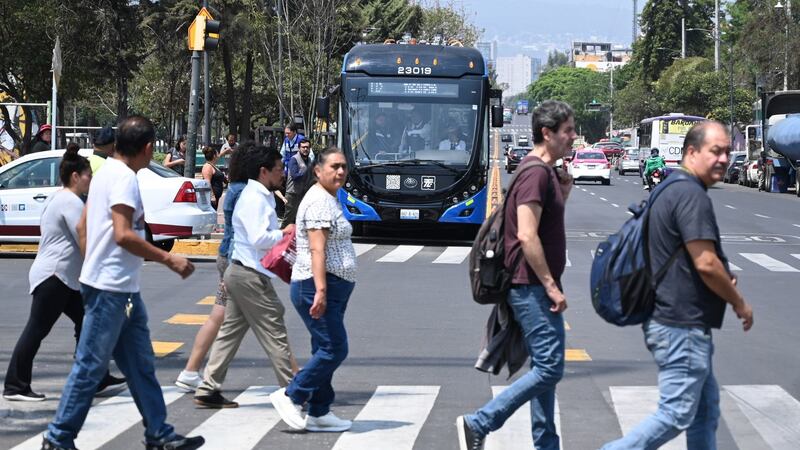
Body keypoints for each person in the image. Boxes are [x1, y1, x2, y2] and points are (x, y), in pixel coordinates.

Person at [41, 116, 204, 450]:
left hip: (119, 287)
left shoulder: (104, 174)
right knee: (90, 366)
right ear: (147, 149)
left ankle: (158, 433)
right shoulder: (124, 179)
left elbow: (85, 226)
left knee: (141, 365)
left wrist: (93, 262)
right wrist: (168, 258)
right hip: (110, 290)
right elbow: (123, 234)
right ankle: (58, 438)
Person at [601, 121, 754, 450]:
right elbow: (705, 262)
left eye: (728, 151)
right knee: (675, 414)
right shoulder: (689, 194)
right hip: (680, 324)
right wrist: (739, 301)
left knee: (704, 413)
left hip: (675, 319)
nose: (724, 159)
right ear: (691, 152)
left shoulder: (669, 188)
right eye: (716, 151)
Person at [456, 100, 576, 450]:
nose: (572, 137)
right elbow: (526, 234)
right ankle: (480, 422)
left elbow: (543, 224)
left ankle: (546, 444)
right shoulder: (536, 173)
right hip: (530, 286)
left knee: (544, 369)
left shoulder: (543, 172)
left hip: (532, 285)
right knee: (551, 368)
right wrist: (551, 286)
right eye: (567, 131)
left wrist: (563, 194)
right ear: (547, 133)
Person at [3, 144, 126, 403]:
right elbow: (85, 238)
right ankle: (15, 385)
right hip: (54, 277)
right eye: (88, 176)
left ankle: (97, 378)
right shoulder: (69, 201)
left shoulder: (61, 198)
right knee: (37, 330)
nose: (90, 180)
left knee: (87, 321)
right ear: (75, 177)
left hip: (64, 278)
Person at [193, 146, 298, 409]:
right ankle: (295, 391)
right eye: (278, 169)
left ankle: (208, 388)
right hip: (250, 274)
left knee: (230, 331)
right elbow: (259, 238)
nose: (282, 174)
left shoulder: (257, 194)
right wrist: (285, 233)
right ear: (264, 171)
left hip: (241, 272)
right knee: (275, 328)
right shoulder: (255, 198)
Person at [269, 147, 357, 433]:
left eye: (343, 166)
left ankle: (320, 411)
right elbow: (317, 249)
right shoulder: (319, 201)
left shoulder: (329, 198)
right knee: (335, 347)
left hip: (330, 285)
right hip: (316, 284)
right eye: (334, 167)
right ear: (318, 171)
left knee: (323, 346)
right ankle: (292, 395)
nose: (340, 172)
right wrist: (320, 290)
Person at [175, 144, 252, 393]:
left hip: (232, 259)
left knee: (224, 318)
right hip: (235, 260)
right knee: (263, 323)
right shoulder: (243, 192)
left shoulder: (240, 190)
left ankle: (195, 372)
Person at [282, 139, 312, 227]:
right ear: (299, 148)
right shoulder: (294, 159)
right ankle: (281, 238)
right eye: (303, 147)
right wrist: (308, 172)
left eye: (307, 147)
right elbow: (295, 176)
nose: (305, 149)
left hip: (303, 193)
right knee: (288, 219)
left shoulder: (309, 160)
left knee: (300, 219)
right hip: (292, 194)